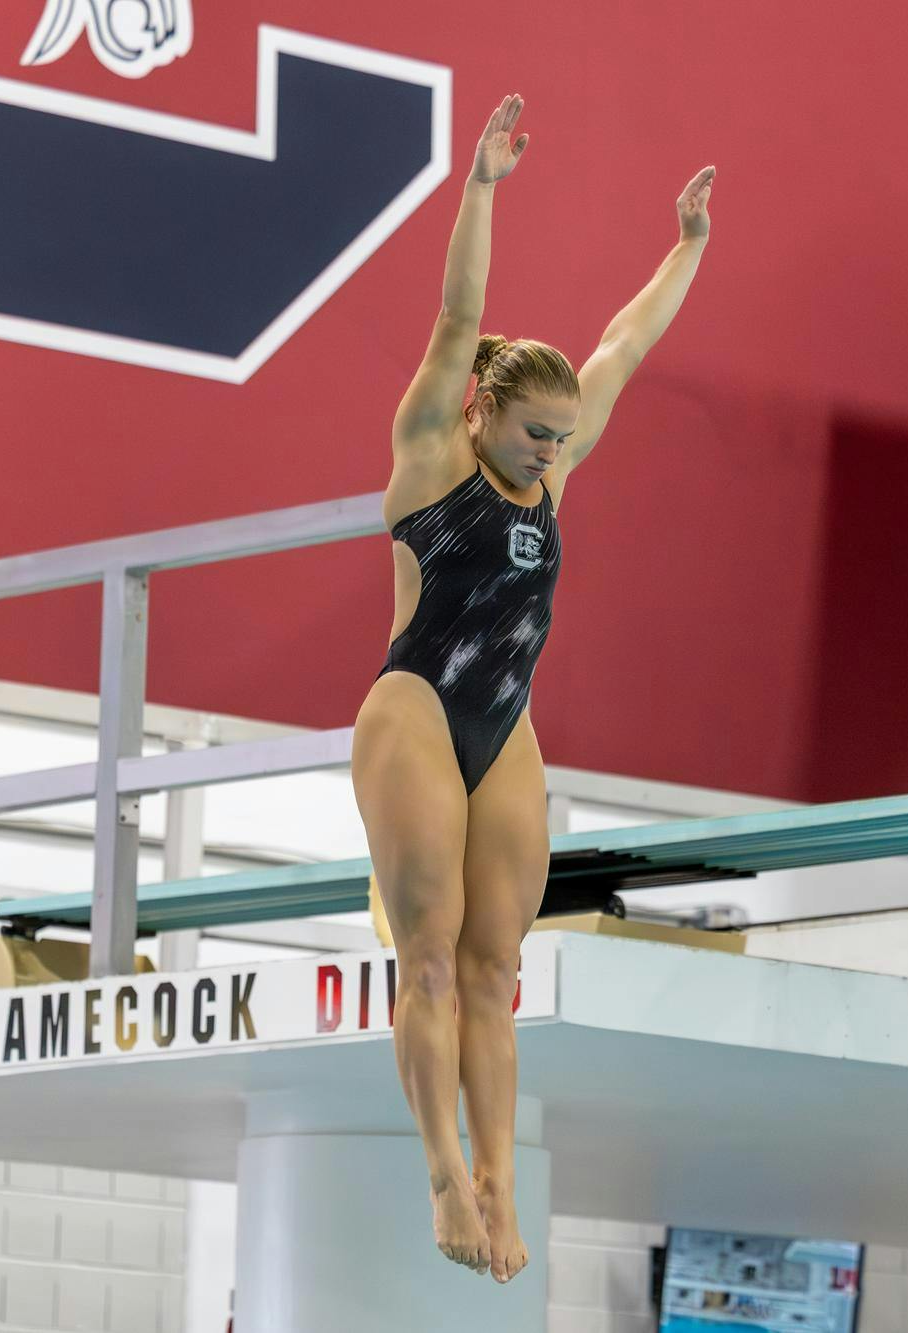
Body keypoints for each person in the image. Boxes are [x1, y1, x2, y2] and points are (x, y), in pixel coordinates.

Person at [350, 93, 715, 1283]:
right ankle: (443, 1175)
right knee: (430, 953)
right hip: (412, 706)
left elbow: (623, 346)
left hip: (502, 724)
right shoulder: (428, 452)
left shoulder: (548, 480)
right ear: (481, 411)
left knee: (500, 969)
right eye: (533, 433)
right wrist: (485, 186)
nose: (552, 451)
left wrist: (685, 249)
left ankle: (503, 1187)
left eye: (563, 437)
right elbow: (456, 316)